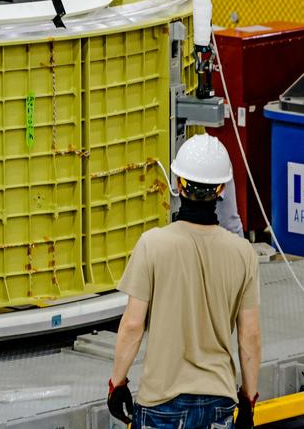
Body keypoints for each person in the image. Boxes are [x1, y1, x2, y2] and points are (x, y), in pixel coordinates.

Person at [107, 134, 262, 429]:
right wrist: (249, 399)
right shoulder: (243, 253)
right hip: (218, 401)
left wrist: (118, 383)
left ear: (178, 184)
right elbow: (250, 336)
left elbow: (131, 326)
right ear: (221, 189)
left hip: (161, 403)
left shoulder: (152, 245)